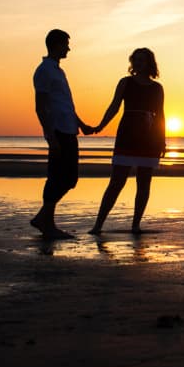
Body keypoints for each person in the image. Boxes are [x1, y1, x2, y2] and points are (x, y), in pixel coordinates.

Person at [89, 48, 166, 235]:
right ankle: (98, 225)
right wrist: (100, 126)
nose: (139, 63)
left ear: (149, 63)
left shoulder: (157, 88)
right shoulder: (125, 83)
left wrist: (162, 140)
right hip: (127, 134)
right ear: (132, 63)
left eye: (143, 60)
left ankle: (135, 225)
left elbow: (161, 115)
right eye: (136, 60)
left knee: (144, 183)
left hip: (149, 137)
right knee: (116, 182)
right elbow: (114, 106)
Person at [31, 29, 94, 239]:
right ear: (56, 44)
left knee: (69, 179)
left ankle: (43, 217)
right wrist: (51, 137)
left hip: (69, 129)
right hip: (57, 131)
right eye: (66, 44)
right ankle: (47, 223)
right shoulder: (44, 71)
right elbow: (41, 107)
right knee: (57, 177)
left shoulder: (59, 71)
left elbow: (66, 104)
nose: (69, 48)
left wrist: (82, 124)